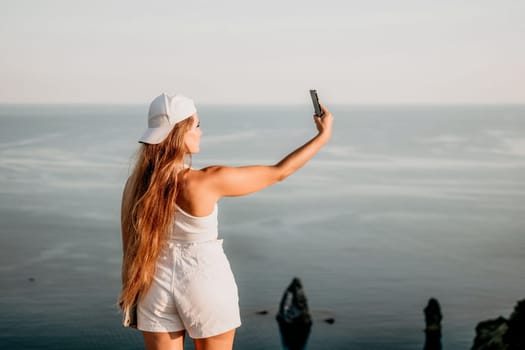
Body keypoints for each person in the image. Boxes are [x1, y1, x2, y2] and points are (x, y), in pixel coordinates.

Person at [119, 92, 333, 350]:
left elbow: (131, 245)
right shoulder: (207, 180)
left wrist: (132, 297)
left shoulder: (136, 185)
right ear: (180, 132)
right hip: (204, 282)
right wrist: (322, 137)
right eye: (197, 125)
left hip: (153, 286)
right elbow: (279, 172)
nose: (201, 132)